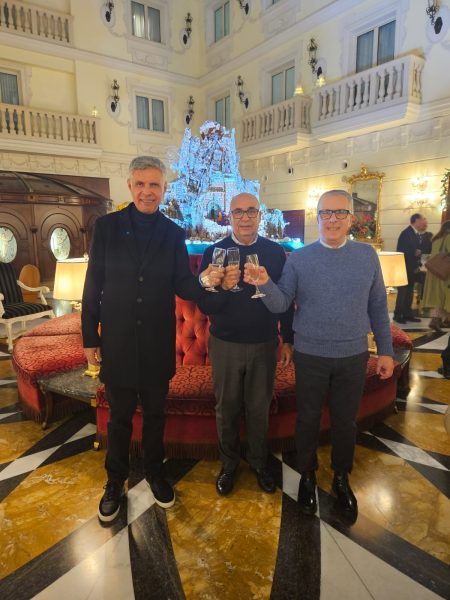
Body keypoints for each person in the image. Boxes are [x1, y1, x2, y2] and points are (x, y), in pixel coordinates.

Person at [81, 156, 223, 523]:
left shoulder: (173, 233)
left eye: (154, 185)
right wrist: (89, 338)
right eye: (141, 184)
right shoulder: (107, 227)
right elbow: (93, 284)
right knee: (119, 420)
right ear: (130, 186)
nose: (147, 191)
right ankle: (115, 481)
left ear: (164, 189)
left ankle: (155, 474)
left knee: (156, 416)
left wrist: (205, 280)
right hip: (118, 343)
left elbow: (182, 283)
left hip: (158, 344)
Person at [243, 190, 394, 518]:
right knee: (308, 419)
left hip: (353, 354)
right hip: (310, 354)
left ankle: (341, 477)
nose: (332, 219)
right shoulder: (300, 258)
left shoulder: (366, 256)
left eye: (340, 213)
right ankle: (307, 475)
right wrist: (264, 283)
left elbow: (378, 305)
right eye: (326, 213)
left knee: (345, 421)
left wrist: (386, 351)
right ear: (317, 217)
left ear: (351, 219)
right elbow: (281, 304)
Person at [197, 193, 293, 497]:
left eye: (251, 211)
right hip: (225, 343)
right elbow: (205, 305)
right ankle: (228, 465)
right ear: (230, 217)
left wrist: (288, 339)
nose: (245, 217)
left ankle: (258, 462)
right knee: (226, 408)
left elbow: (286, 300)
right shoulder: (214, 252)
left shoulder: (275, 252)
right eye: (238, 212)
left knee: (259, 408)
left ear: (260, 215)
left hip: (264, 343)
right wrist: (224, 288)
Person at [394, 213, 429, 324]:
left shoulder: (414, 233)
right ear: (417, 220)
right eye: (423, 219)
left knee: (409, 292)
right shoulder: (406, 233)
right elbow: (403, 251)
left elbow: (417, 250)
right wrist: (415, 253)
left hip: (411, 268)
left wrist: (417, 258)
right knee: (403, 293)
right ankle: (398, 315)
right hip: (404, 268)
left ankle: (407, 314)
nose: (425, 222)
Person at [421, 220, 450, 332]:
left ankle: (440, 320)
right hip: (444, 272)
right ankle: (438, 320)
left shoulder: (436, 239)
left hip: (434, 270)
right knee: (444, 296)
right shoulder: (448, 237)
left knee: (438, 297)